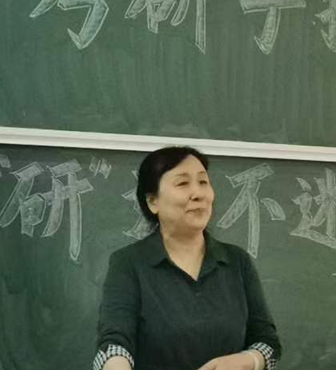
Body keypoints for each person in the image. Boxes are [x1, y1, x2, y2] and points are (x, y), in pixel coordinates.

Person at [93, 146, 281, 370]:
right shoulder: (128, 262)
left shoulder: (237, 261)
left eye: (203, 182)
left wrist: (246, 360)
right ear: (153, 201)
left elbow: (268, 342)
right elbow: (115, 343)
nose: (198, 193)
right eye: (183, 183)